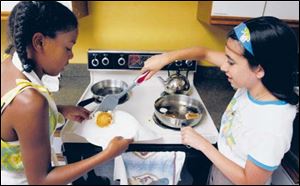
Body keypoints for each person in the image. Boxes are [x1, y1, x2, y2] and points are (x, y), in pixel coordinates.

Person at [141, 16, 298, 184]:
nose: (223, 67)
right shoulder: (253, 83)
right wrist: (166, 58)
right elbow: (205, 52)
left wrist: (203, 144)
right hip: (221, 172)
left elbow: (249, 181)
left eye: (231, 62)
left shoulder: (272, 125)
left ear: (259, 69)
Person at [1, 1, 132, 185]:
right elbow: (41, 181)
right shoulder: (30, 102)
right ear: (39, 42)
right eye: (68, 48)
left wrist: (59, 110)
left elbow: (13, 123)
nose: (71, 56)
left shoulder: (8, 65)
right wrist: (108, 154)